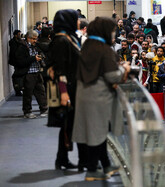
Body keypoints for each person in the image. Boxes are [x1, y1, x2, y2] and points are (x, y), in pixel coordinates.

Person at [72, 16, 131, 181]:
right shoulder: (104, 49)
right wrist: (124, 69)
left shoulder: (88, 46)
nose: (113, 36)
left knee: (96, 132)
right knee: (97, 133)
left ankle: (104, 165)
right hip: (98, 97)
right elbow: (112, 76)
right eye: (112, 32)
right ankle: (92, 170)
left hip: (86, 94)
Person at [48, 9, 87, 171]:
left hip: (75, 87)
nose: (79, 21)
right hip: (68, 90)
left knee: (69, 124)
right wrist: (63, 92)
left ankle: (62, 158)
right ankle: (84, 161)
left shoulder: (70, 38)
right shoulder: (61, 41)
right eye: (76, 18)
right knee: (74, 124)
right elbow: (59, 69)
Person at [14, 30, 48, 118]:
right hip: (28, 74)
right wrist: (33, 59)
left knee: (41, 92)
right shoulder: (22, 47)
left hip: (37, 72)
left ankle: (44, 109)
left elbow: (43, 50)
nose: (35, 40)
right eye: (33, 39)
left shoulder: (36, 46)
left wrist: (41, 56)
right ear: (28, 38)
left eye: (36, 39)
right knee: (28, 93)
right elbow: (20, 62)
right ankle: (27, 111)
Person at [8, 30, 24, 96]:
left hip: (18, 61)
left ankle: (19, 89)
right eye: (19, 34)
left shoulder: (17, 41)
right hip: (16, 61)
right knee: (17, 76)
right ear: (15, 35)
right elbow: (15, 52)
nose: (20, 35)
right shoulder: (13, 42)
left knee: (19, 75)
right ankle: (18, 89)